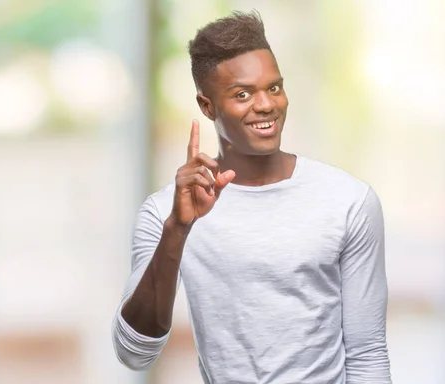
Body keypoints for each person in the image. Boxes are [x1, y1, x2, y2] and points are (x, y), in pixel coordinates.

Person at [112, 10, 392, 384]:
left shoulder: (349, 201)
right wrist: (178, 230)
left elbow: (367, 353)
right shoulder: (165, 213)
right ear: (207, 106)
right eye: (242, 94)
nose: (266, 105)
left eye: (273, 87)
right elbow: (134, 353)